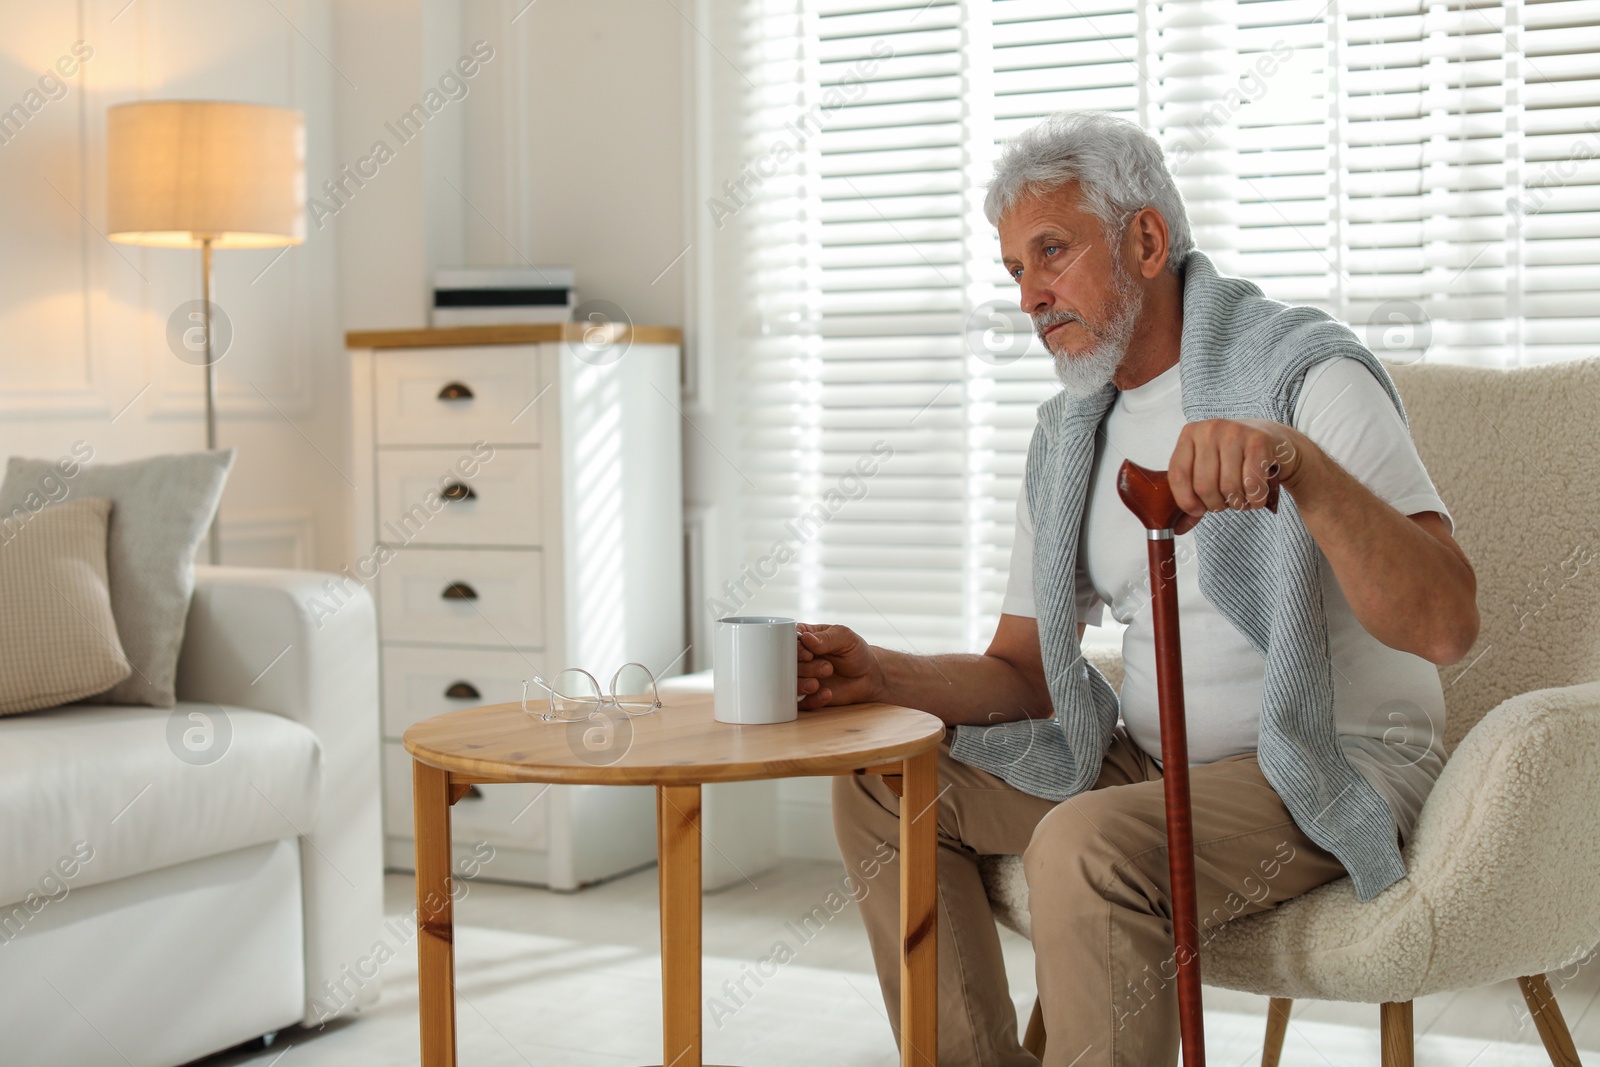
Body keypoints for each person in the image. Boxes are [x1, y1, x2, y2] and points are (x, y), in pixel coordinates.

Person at [798, 111, 1478, 1067]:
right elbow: (1025, 674)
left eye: (1052, 252)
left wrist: (1303, 469)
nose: (1031, 295)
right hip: (1152, 770)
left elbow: (1447, 624)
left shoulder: (1305, 374)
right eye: (1015, 272)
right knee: (882, 780)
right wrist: (879, 673)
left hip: (1328, 762)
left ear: (1147, 239)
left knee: (1085, 842)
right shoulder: (1069, 432)